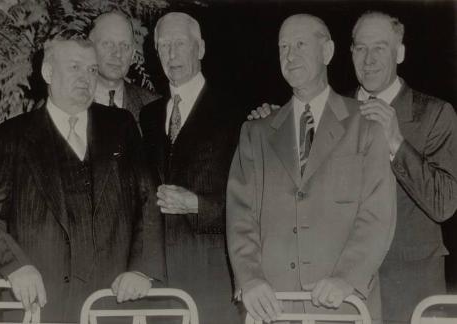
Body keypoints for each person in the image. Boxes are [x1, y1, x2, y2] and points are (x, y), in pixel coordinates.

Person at [0, 36, 164, 323]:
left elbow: (148, 200)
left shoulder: (121, 126)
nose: (85, 78)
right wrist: (15, 266)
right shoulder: (11, 136)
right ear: (48, 73)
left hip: (111, 303)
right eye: (74, 67)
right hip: (38, 305)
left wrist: (141, 269)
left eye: (92, 70)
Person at [227, 14, 396, 323]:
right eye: (283, 47)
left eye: (301, 44)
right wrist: (250, 280)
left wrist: (347, 278)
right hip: (274, 308)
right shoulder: (256, 133)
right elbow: (240, 216)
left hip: (343, 304)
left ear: (328, 52)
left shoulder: (366, 125)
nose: (290, 56)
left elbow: (378, 214)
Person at [350, 11, 457, 323]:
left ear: (400, 53)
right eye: (360, 48)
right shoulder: (332, 111)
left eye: (380, 48)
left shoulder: (435, 114)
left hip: (411, 287)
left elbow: (444, 204)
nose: (368, 59)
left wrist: (396, 143)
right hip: (344, 285)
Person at [139, 12, 242, 324]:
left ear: (201, 49)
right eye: (164, 46)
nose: (172, 54)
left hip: (212, 280)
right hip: (158, 288)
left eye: (180, 44)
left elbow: (251, 203)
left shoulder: (236, 111)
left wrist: (197, 205)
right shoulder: (148, 115)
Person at [89, 11, 159, 123]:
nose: (117, 53)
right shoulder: (66, 100)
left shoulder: (155, 106)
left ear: (132, 55)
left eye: (124, 46)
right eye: (107, 44)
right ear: (90, 48)